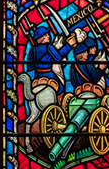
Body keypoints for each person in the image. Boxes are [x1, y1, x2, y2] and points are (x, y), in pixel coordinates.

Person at [48, 34, 109, 163]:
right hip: (92, 98)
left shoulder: (73, 67)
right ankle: (63, 152)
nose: (88, 54)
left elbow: (73, 81)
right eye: (85, 53)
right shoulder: (89, 65)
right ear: (82, 54)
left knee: (74, 127)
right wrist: (100, 69)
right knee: (75, 127)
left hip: (77, 98)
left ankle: (62, 152)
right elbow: (95, 78)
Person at [16, 23, 79, 151]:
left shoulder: (33, 51)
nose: (48, 36)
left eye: (47, 34)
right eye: (45, 35)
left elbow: (30, 67)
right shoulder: (48, 47)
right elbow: (58, 56)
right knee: (61, 89)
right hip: (50, 78)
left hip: (37, 81)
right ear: (41, 38)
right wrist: (69, 45)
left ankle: (27, 144)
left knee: (31, 118)